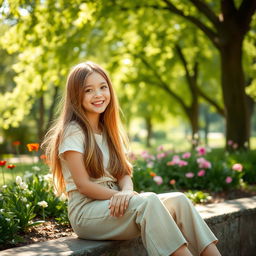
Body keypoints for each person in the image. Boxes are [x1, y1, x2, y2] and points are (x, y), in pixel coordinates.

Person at [42, 61, 221, 256]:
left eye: (103, 87)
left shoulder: (108, 130)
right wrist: (119, 196)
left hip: (116, 204)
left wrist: (126, 192)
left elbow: (123, 172)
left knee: (179, 200)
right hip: (87, 212)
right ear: (76, 95)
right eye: (89, 90)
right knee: (148, 201)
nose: (99, 95)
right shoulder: (73, 132)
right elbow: (83, 185)